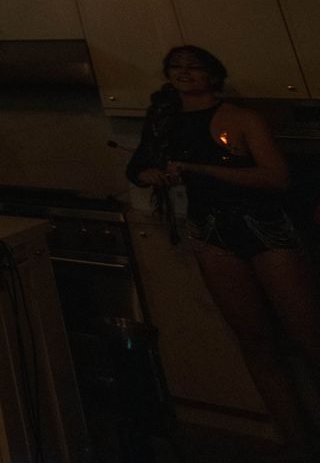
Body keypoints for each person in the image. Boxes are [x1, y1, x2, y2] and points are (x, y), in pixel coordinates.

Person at [128, 46, 318, 457]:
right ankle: (298, 445)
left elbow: (276, 178)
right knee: (255, 343)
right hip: (211, 233)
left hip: (265, 228)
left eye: (194, 67)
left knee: (309, 337)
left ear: (214, 76)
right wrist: (151, 174)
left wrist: (200, 169)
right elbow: (137, 166)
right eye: (176, 67)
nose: (184, 72)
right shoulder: (163, 122)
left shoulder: (243, 118)